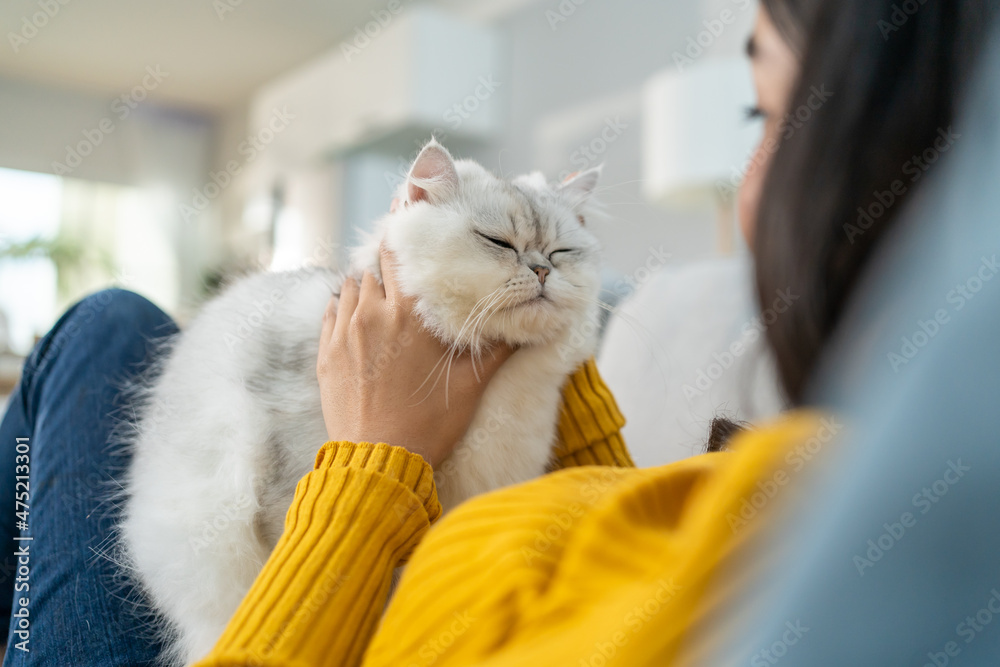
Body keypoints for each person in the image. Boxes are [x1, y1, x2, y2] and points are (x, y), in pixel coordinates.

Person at [1, 2, 996, 666]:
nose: (748, 198)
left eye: (767, 112)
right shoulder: (801, 483)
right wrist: (551, 356)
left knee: (100, 325)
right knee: (118, 328)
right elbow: (610, 513)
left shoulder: (860, 546)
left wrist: (372, 459)